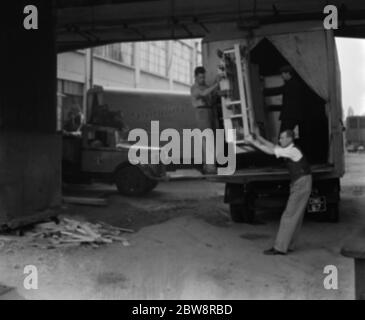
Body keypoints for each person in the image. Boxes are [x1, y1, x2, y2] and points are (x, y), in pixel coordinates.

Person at [246, 128, 312, 255]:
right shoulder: (290, 149)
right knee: (295, 216)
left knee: (288, 215)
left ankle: (280, 247)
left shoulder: (292, 151)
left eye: (282, 138)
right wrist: (259, 138)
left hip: (301, 183)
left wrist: (252, 142)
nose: (280, 140)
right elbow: (273, 146)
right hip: (302, 182)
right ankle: (289, 245)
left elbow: (271, 151)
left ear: (289, 139)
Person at [190, 66, 220, 174]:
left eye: (204, 77)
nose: (202, 79)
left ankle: (208, 166)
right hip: (201, 113)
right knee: (207, 140)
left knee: (211, 140)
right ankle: (210, 167)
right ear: (195, 77)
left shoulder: (206, 86)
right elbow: (203, 94)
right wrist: (216, 84)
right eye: (200, 77)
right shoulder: (194, 88)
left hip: (210, 112)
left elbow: (211, 98)